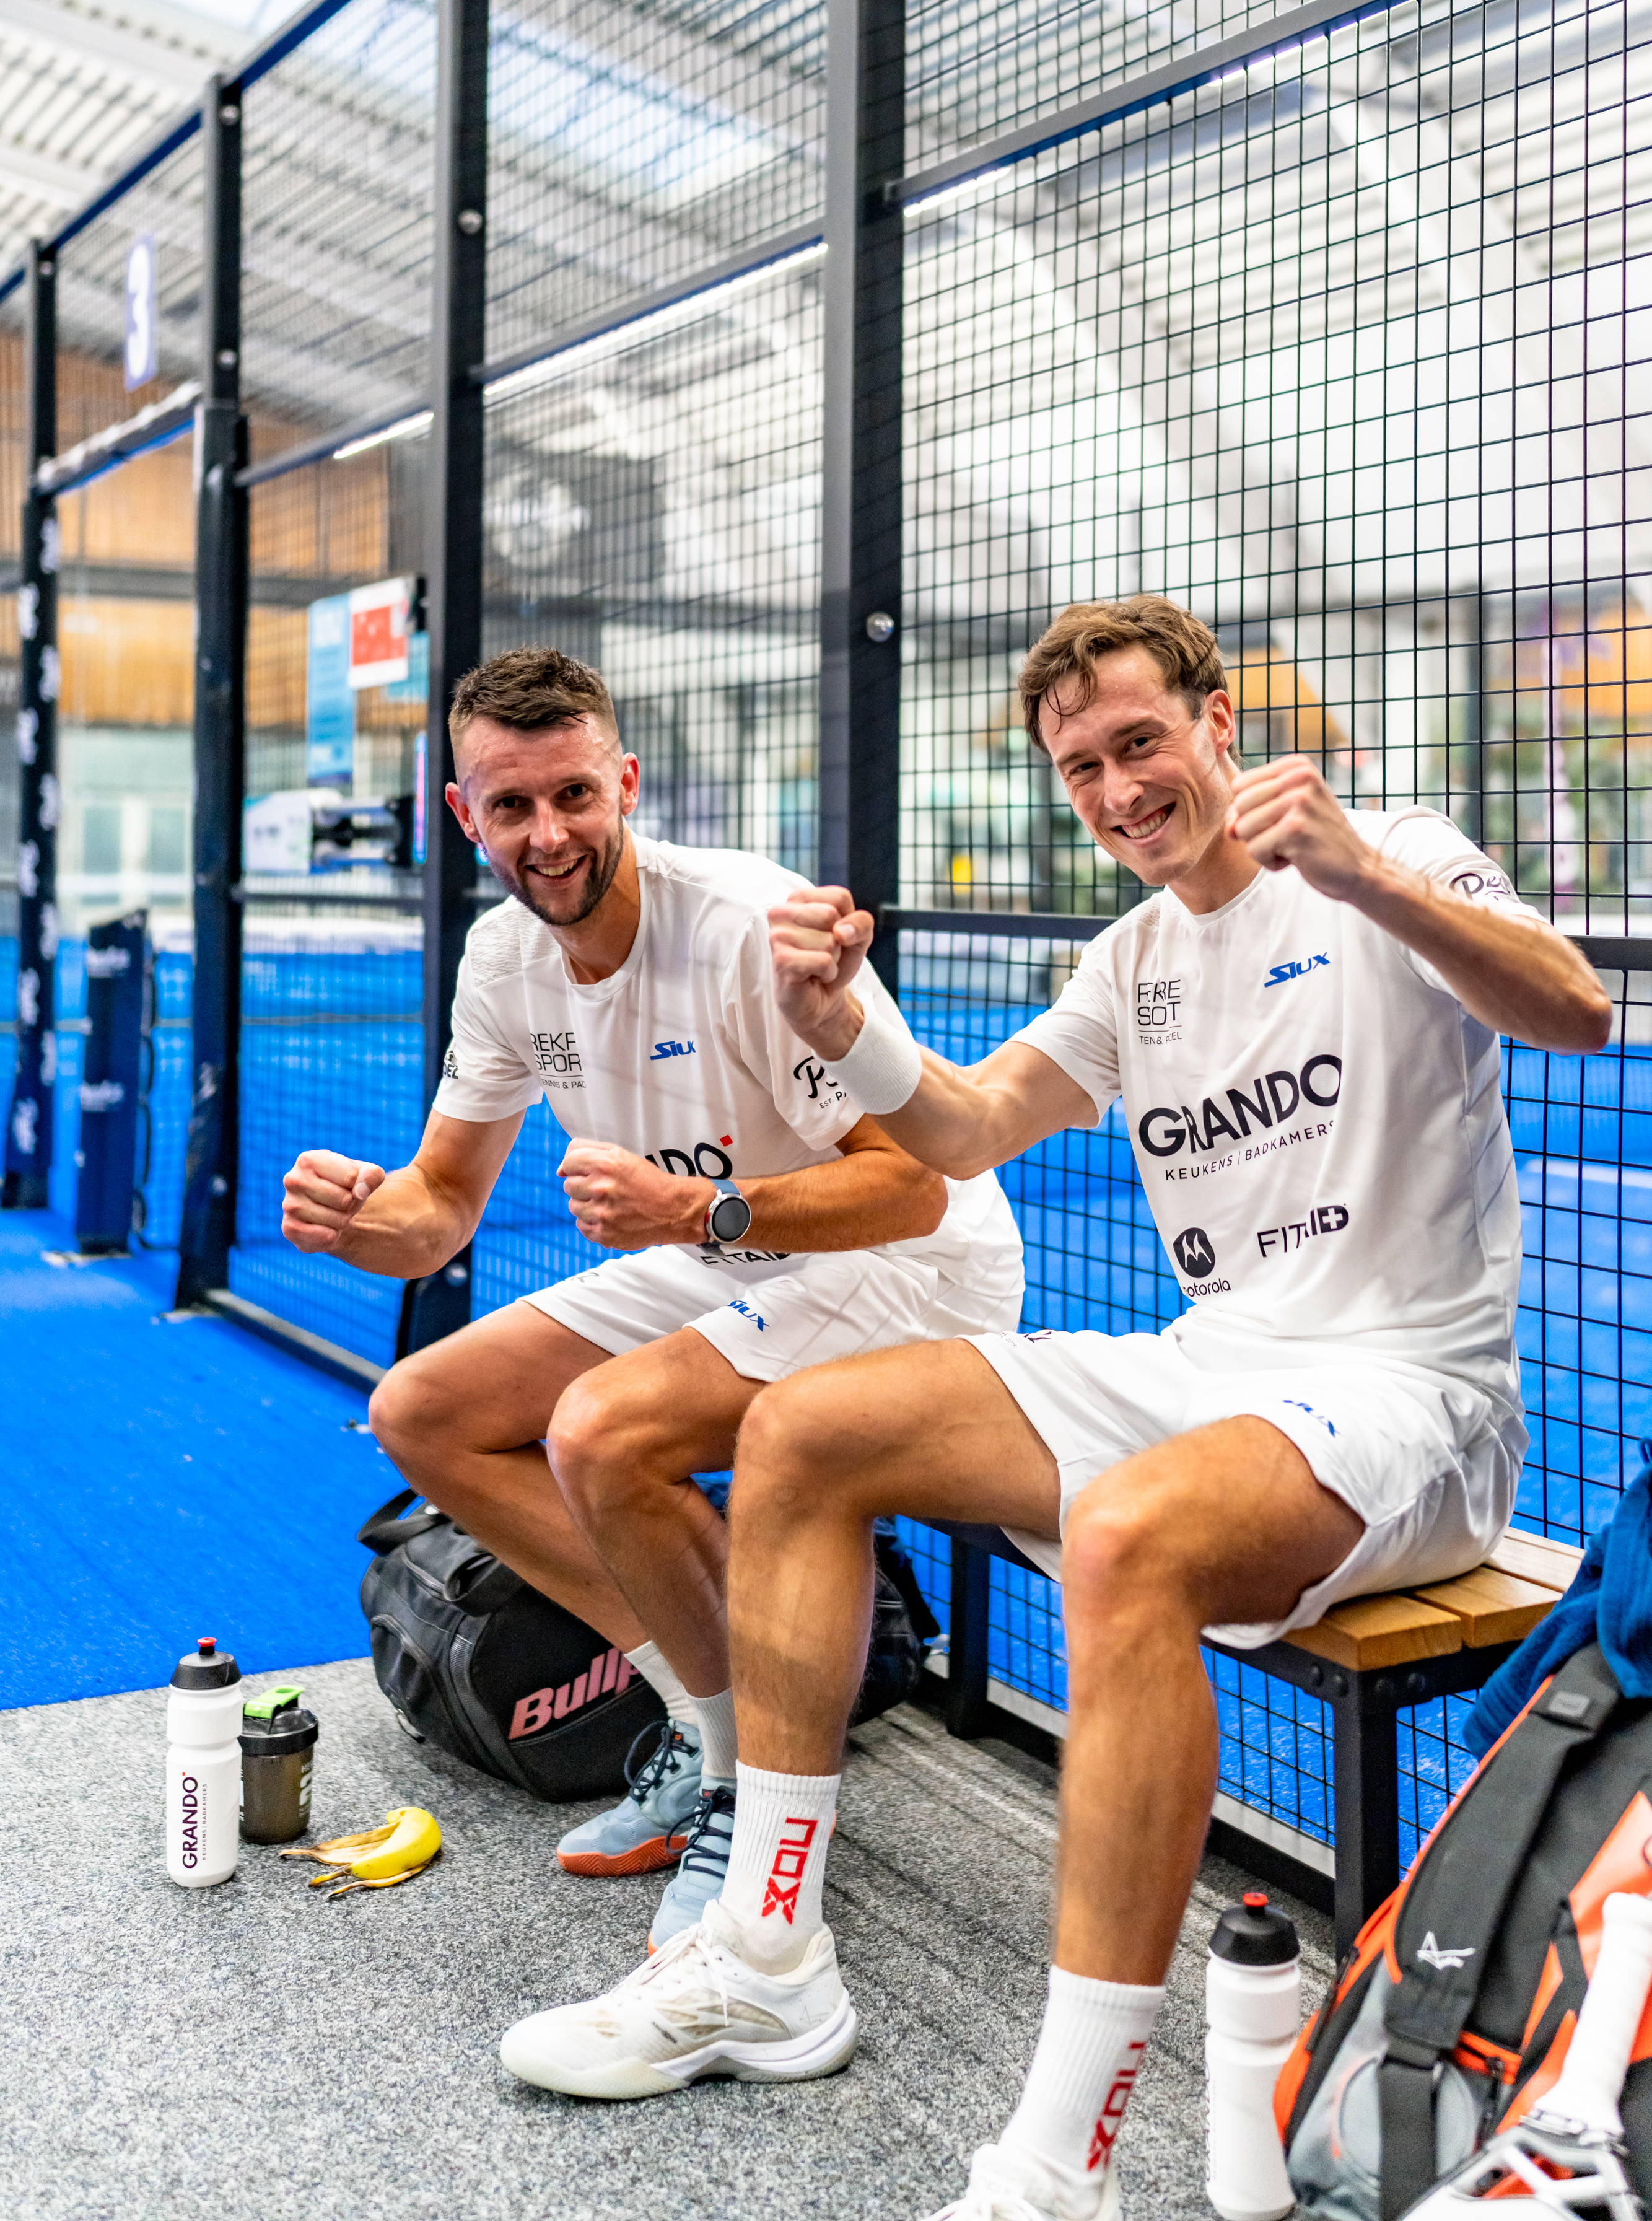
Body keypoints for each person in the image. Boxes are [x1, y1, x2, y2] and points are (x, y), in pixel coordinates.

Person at [498, 596, 1613, 2218]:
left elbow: (1570, 1007)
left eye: (1139, 743)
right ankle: (768, 1952)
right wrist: (844, 1027)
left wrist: (1366, 878)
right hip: (1216, 1367)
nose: (1114, 790)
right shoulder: (1127, 960)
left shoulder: (1394, 850)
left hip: (1413, 1401)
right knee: (804, 1429)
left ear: (1220, 725)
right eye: (1078, 769)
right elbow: (956, 1129)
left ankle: (1055, 2164)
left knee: (1124, 1541)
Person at [281, 646, 1023, 1945]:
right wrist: (357, 1223)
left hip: (913, 1267)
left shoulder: (742, 923)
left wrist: (695, 1209)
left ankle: (753, 1781)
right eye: (509, 806)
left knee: (602, 1429)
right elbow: (437, 1209)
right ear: (466, 816)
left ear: (623, 782)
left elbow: (912, 1186)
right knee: (424, 1409)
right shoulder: (503, 956)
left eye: (573, 793)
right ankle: (720, 1703)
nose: (546, 832)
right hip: (737, 1253)